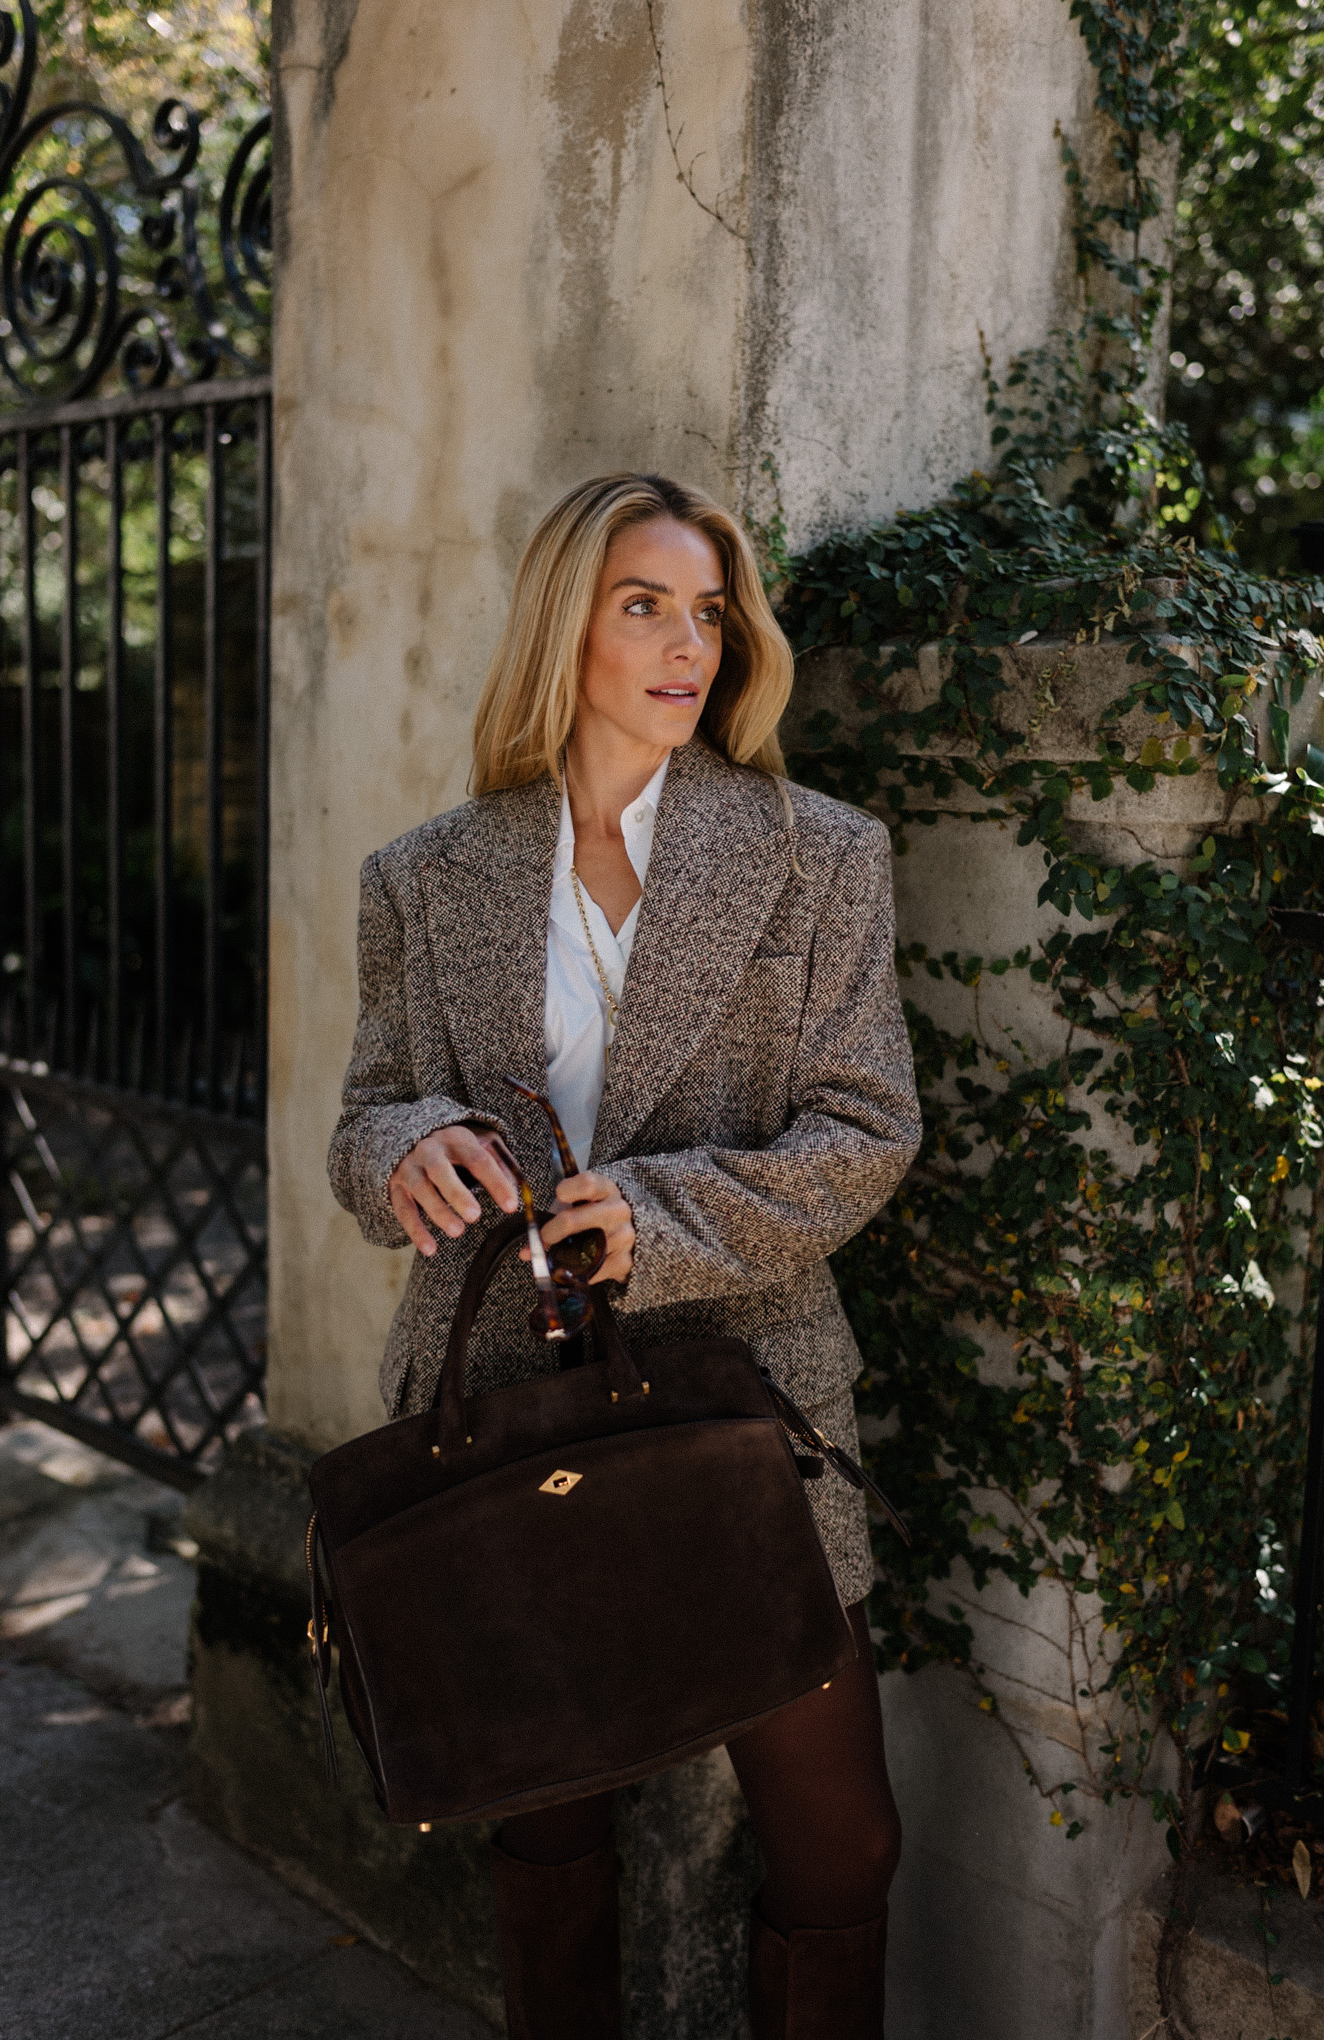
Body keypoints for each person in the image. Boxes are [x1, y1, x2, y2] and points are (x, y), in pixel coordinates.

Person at [327, 472, 922, 2039]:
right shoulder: (427, 875)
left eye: (709, 612)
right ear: (564, 629)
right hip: (503, 1412)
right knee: (548, 1821)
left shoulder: (817, 854)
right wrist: (407, 1152)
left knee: (841, 1838)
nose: (685, 646)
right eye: (642, 604)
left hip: (749, 1398)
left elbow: (867, 1130)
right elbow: (365, 1115)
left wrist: (648, 1221)